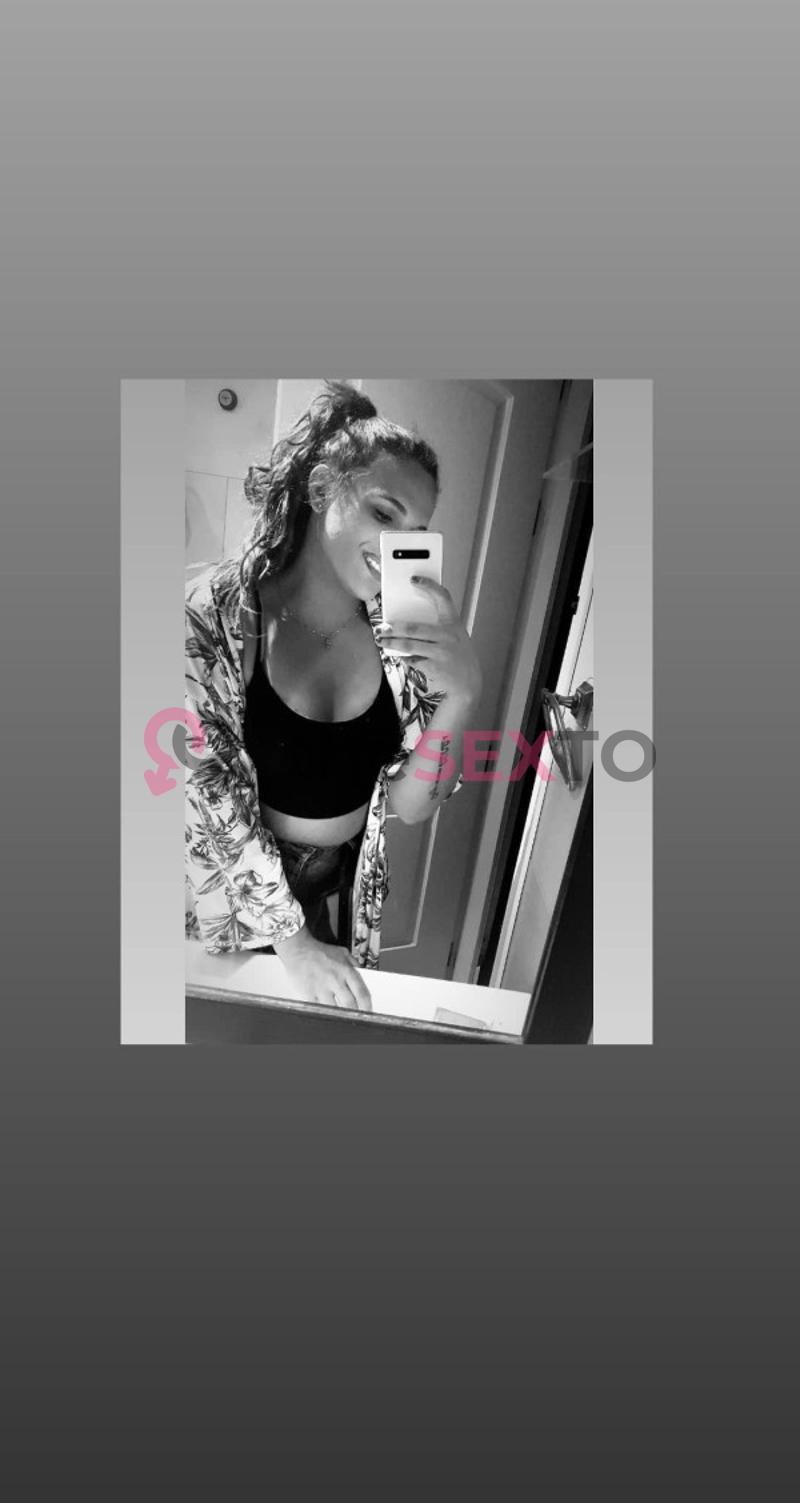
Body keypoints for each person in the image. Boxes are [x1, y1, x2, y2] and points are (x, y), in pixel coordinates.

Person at [185, 381, 482, 1013]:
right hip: (216, 903)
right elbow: (207, 795)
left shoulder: (398, 633)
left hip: (319, 905)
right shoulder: (218, 612)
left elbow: (414, 805)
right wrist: (294, 946)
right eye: (384, 514)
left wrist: (460, 696)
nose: (397, 545)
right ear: (322, 491)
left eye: (416, 531)